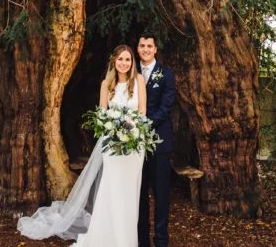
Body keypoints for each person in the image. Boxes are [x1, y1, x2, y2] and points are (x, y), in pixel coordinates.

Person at [17, 45, 147, 246]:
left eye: (128, 59)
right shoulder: (106, 84)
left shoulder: (138, 81)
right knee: (111, 191)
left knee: (130, 195)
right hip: (112, 146)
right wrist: (114, 130)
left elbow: (142, 112)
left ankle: (127, 241)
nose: (124, 63)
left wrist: (131, 132)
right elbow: (103, 115)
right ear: (114, 61)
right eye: (120, 59)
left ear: (132, 62)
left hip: (133, 147)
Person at [137, 34, 176, 247]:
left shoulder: (166, 73)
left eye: (149, 46)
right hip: (134, 145)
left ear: (155, 49)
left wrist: (146, 124)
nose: (145, 49)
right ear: (137, 48)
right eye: (142, 45)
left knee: (161, 195)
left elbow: (167, 104)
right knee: (139, 194)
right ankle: (142, 240)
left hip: (160, 142)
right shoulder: (131, 72)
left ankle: (161, 240)